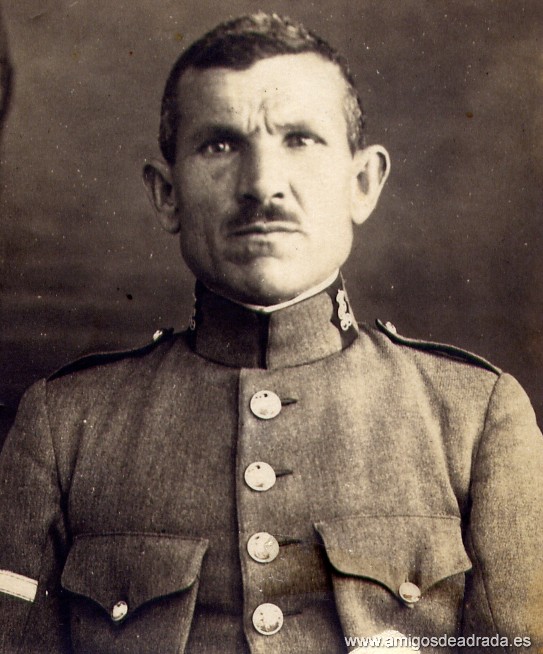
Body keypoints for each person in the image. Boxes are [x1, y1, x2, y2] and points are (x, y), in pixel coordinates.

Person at [0, 12, 542, 653]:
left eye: (301, 140)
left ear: (362, 183)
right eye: (220, 145)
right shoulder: (64, 427)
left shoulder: (476, 420)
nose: (262, 186)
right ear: (167, 194)